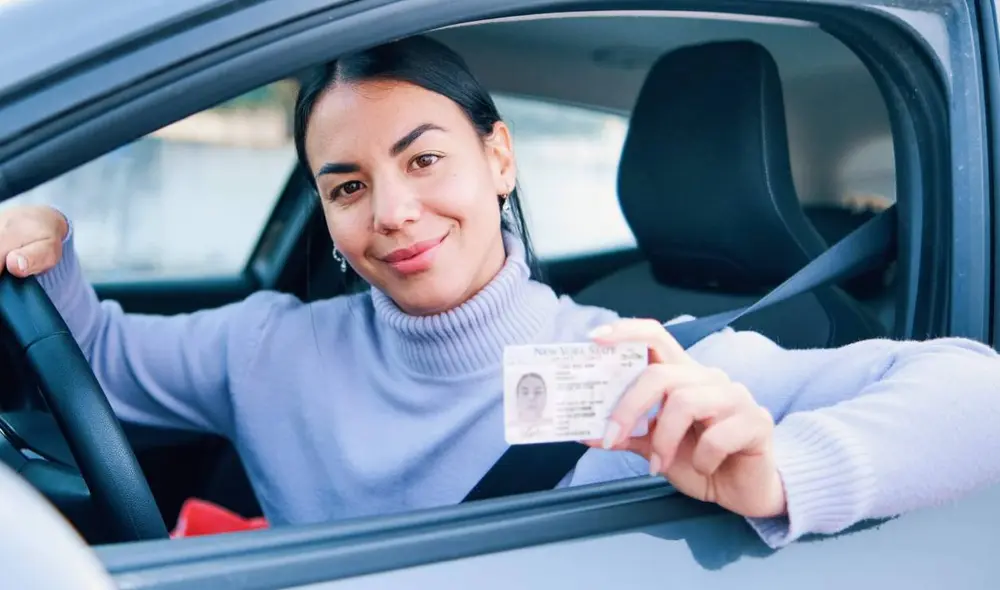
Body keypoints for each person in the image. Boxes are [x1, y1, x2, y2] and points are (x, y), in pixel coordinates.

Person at [2, 35, 999, 549]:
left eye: (423, 158)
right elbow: (91, 361)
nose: (391, 210)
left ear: (500, 158)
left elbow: (977, 393)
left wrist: (787, 471)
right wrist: (49, 248)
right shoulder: (266, 348)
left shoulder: (639, 369)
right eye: (345, 186)